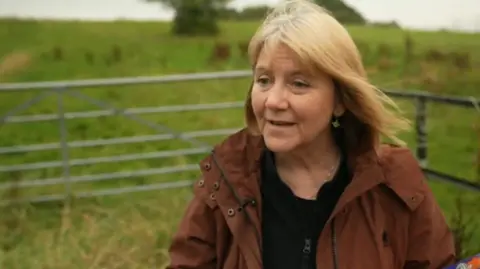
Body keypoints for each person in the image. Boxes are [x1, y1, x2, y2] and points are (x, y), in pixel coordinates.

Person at [166, 0, 456, 268]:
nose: (273, 101)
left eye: (299, 83)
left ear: (341, 100)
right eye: (264, 80)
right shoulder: (226, 180)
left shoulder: (395, 182)